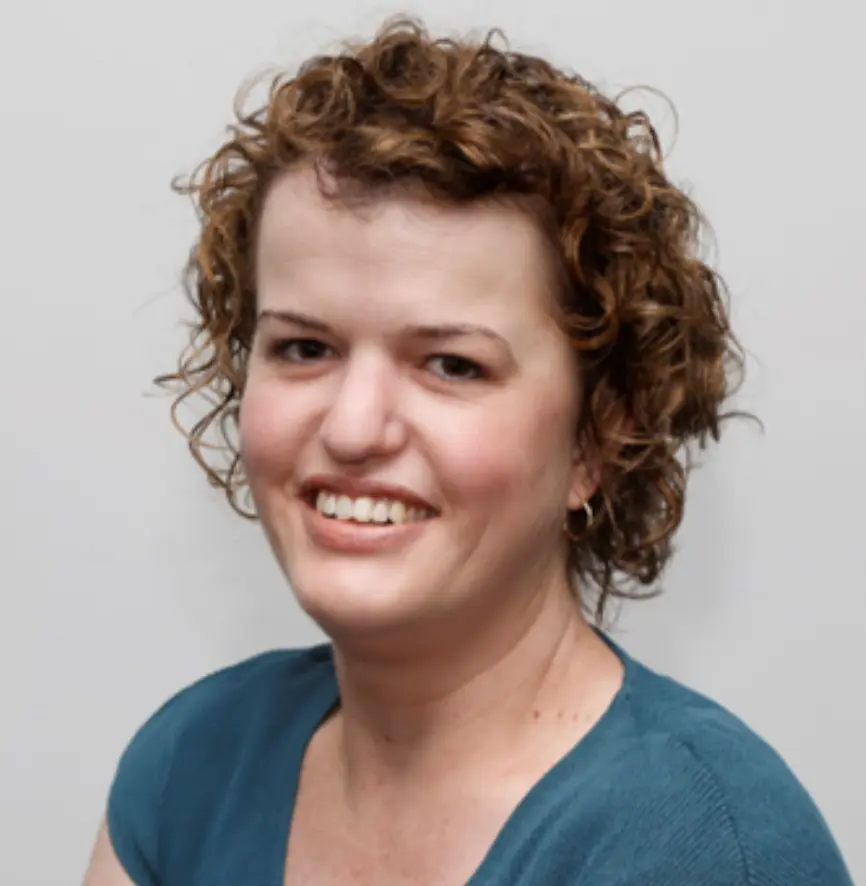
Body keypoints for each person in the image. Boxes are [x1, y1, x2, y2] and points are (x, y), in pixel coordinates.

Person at [83, 17, 853, 886]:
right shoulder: (192, 768)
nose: (352, 428)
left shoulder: (704, 849)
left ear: (598, 440)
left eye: (452, 364)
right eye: (304, 348)